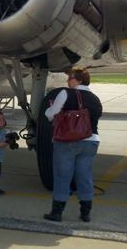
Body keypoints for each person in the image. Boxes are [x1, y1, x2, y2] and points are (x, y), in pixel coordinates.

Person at [43, 66, 102, 222]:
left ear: (79, 80)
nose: (68, 81)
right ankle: (85, 213)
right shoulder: (95, 98)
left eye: (70, 78)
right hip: (91, 142)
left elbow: (52, 114)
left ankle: (57, 212)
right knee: (84, 176)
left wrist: (48, 110)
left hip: (68, 141)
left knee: (62, 176)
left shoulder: (66, 93)